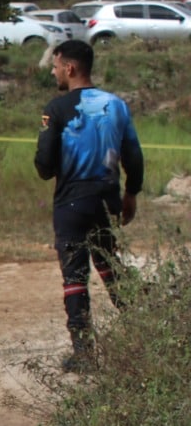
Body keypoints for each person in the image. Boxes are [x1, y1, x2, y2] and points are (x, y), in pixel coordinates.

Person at [35, 39, 142, 371]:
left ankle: (83, 354)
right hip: (106, 199)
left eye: (55, 66)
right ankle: (146, 330)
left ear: (69, 67)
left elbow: (44, 166)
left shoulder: (57, 109)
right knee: (109, 266)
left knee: (75, 276)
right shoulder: (117, 106)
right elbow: (134, 156)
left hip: (71, 203)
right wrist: (131, 194)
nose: (53, 73)